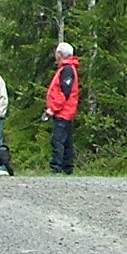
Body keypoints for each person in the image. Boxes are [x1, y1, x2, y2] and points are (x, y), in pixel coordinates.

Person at [44, 42, 80, 175]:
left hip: (63, 112)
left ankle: (56, 167)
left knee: (58, 140)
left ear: (59, 54)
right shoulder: (66, 68)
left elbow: (64, 93)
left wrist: (52, 108)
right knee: (67, 141)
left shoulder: (67, 70)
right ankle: (67, 168)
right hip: (65, 112)